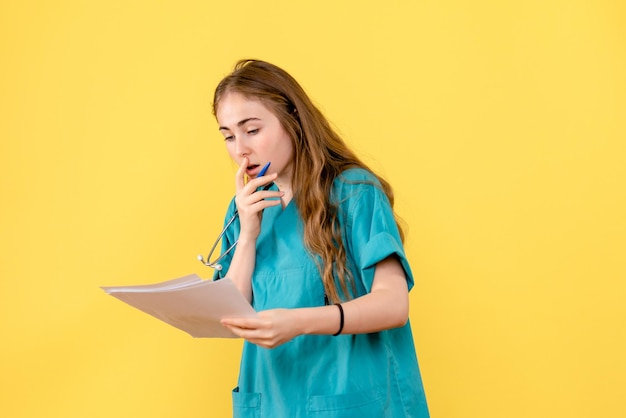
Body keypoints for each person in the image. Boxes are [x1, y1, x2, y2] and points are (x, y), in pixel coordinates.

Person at [212, 59, 429, 417]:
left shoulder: (353, 192)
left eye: (251, 130)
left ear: (293, 120)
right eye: (228, 136)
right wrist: (248, 233)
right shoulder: (244, 209)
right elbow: (232, 314)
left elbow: (394, 305)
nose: (240, 149)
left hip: (353, 401)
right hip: (273, 400)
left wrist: (298, 322)